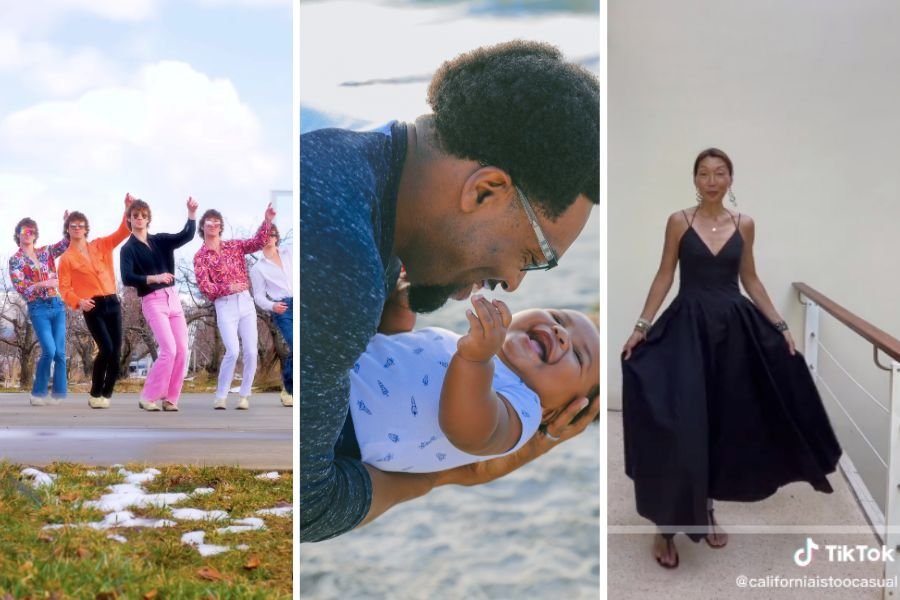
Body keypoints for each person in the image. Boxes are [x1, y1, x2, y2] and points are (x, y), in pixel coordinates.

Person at [301, 40, 600, 543]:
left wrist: (390, 306)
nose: (514, 282)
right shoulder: (337, 261)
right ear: (484, 190)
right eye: (533, 255)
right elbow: (307, 509)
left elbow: (381, 348)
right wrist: (443, 477)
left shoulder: (346, 163)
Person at [620, 148, 841, 569]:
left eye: (720, 173)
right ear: (694, 180)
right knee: (681, 425)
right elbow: (665, 274)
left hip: (733, 334)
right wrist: (642, 327)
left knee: (720, 425)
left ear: (730, 179)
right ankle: (665, 527)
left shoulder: (745, 225)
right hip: (687, 328)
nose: (712, 180)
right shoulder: (678, 222)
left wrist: (779, 326)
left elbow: (751, 280)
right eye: (704, 173)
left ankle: (705, 509)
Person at [342, 296, 599, 474]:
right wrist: (403, 305)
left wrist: (475, 359)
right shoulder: (472, 348)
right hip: (342, 371)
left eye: (578, 356)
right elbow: (394, 356)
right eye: (559, 318)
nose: (561, 333)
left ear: (552, 412)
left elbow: (467, 430)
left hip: (345, 428)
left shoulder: (524, 408)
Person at [120, 196, 198, 412]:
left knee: (182, 349)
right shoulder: (128, 249)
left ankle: (171, 398)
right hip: (152, 301)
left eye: (143, 216)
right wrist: (154, 278)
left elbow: (187, 235)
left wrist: (191, 214)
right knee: (169, 350)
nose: (139, 219)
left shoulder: (161, 241)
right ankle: (148, 396)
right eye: (135, 216)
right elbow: (127, 277)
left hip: (173, 299)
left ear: (148, 219)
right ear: (130, 219)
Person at [194, 204, 274, 410]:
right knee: (232, 350)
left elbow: (258, 242)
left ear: (221, 226)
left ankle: (245, 394)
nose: (213, 225)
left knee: (250, 351)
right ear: (202, 227)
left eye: (216, 222)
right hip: (225, 304)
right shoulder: (200, 257)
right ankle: (220, 396)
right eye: (208, 222)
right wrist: (227, 287)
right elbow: (205, 287)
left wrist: (267, 221)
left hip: (245, 302)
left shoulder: (234, 246)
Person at [58, 195, 133, 408]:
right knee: (106, 348)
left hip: (112, 302)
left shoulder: (101, 245)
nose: (77, 228)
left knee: (116, 350)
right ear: (68, 229)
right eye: (73, 226)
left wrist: (127, 208)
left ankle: (105, 395)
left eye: (81, 226)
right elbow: (64, 287)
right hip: (92, 306)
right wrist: (78, 302)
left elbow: (123, 232)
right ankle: (95, 392)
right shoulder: (66, 258)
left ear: (86, 229)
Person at [8, 213, 70, 405]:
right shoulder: (15, 260)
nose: (28, 234)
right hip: (38, 309)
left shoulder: (46, 252)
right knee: (49, 351)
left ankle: (58, 395)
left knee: (60, 353)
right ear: (18, 235)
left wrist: (66, 224)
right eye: (24, 231)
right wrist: (45, 283)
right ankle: (38, 393)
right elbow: (22, 287)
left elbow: (66, 243)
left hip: (57, 305)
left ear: (35, 235)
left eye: (31, 231)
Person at [249, 223, 293, 407]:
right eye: (265, 235)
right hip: (283, 307)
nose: (269, 238)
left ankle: (291, 387)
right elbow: (258, 295)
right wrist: (272, 305)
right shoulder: (258, 268)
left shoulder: (290, 252)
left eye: (272, 234)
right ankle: (290, 391)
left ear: (277, 237)